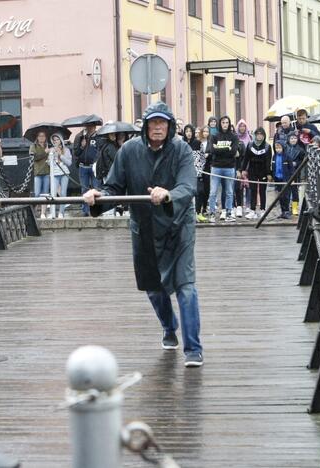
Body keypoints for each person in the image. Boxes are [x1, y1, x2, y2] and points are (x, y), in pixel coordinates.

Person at [83, 102, 203, 367]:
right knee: (153, 288)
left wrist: (168, 194)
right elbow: (114, 187)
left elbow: (187, 185)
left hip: (178, 226)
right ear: (146, 126)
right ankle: (169, 327)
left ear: (170, 126)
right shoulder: (129, 151)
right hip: (144, 227)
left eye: (162, 123)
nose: (158, 127)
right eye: (153, 123)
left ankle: (193, 348)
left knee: (186, 287)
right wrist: (98, 196)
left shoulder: (181, 149)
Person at [208, 116, 239, 223]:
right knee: (213, 192)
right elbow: (212, 150)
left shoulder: (234, 137)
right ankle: (212, 213)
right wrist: (227, 148)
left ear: (229, 124)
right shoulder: (214, 135)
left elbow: (233, 151)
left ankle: (229, 213)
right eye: (223, 122)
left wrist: (219, 148)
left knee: (229, 192)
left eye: (227, 122)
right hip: (216, 167)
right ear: (219, 124)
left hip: (229, 167)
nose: (225, 124)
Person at [241, 127, 272, 219]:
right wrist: (243, 169)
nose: (259, 136)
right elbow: (246, 158)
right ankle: (252, 210)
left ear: (264, 135)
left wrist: (269, 173)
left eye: (261, 134)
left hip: (263, 171)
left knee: (262, 191)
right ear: (255, 135)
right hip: (252, 171)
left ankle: (262, 210)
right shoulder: (250, 145)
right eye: (257, 134)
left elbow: (268, 161)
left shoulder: (267, 146)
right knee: (253, 190)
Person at [74, 122, 100, 216]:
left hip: (93, 167)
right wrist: (82, 146)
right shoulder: (79, 137)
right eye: (89, 126)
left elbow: (100, 151)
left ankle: (96, 210)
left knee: (96, 189)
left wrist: (96, 162)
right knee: (84, 189)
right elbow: (76, 153)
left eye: (92, 126)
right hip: (83, 166)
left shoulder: (98, 137)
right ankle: (85, 210)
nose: (90, 128)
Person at [182, 125, 206, 223]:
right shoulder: (181, 144)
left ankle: (198, 212)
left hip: (197, 172)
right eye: (186, 131)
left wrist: (200, 170)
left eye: (190, 131)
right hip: (184, 172)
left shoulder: (198, 143)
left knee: (199, 191)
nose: (188, 133)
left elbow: (202, 158)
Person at [49, 134, 73, 219]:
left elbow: (69, 163)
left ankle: (61, 213)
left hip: (64, 173)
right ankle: (52, 212)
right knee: (53, 193)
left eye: (57, 139)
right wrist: (52, 157)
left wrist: (60, 155)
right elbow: (48, 162)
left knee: (63, 193)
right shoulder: (51, 150)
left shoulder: (66, 150)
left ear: (61, 140)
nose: (56, 141)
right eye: (54, 140)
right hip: (55, 173)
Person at [283, 133, 306, 217]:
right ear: (288, 139)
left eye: (295, 138)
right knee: (286, 190)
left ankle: (295, 207)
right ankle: (286, 208)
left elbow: (302, 161)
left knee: (294, 190)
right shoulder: (285, 148)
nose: (293, 140)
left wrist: (296, 163)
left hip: (296, 172)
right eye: (291, 138)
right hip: (286, 172)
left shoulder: (300, 150)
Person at [30, 131, 50, 218]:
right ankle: (35, 210)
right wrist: (45, 152)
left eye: (43, 136)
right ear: (37, 137)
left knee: (45, 193)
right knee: (37, 193)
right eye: (40, 136)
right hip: (38, 172)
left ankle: (43, 213)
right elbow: (35, 157)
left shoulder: (48, 146)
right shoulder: (33, 146)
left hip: (47, 172)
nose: (42, 138)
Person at [234, 120, 253, 217]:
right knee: (239, 186)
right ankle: (239, 205)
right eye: (240, 126)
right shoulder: (235, 138)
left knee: (249, 186)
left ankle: (248, 205)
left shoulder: (250, 138)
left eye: (243, 126)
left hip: (248, 165)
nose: (242, 128)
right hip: (238, 164)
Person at [271, 141, 291, 219]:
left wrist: (291, 179)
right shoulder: (274, 156)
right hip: (277, 179)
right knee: (280, 196)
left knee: (286, 196)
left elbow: (291, 169)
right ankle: (282, 211)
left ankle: (286, 211)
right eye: (276, 148)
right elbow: (273, 167)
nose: (278, 149)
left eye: (279, 147)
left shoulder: (287, 157)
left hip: (285, 179)